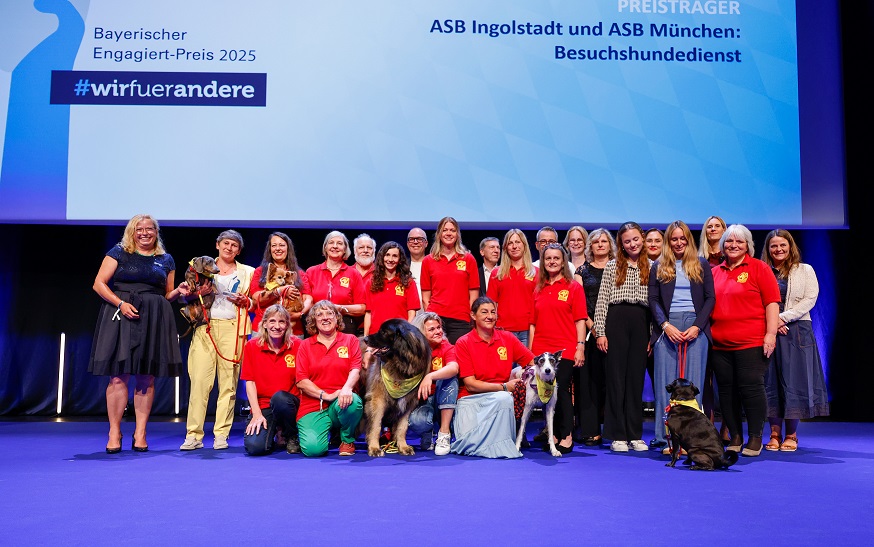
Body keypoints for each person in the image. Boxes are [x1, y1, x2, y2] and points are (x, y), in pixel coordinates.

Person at [88, 214, 185, 453]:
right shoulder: (119, 252)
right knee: (119, 375)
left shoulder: (166, 259)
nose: (144, 233)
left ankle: (140, 432)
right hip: (122, 314)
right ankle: (114, 431)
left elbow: (167, 294)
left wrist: (181, 291)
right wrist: (120, 303)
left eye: (149, 229)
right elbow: (99, 283)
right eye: (139, 229)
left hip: (153, 318)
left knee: (146, 376)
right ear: (132, 231)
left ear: (156, 232)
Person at [180, 229, 255, 451]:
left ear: (238, 250)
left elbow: (256, 301)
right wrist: (192, 292)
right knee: (200, 384)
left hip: (234, 329)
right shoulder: (200, 266)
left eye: (234, 245)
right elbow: (187, 295)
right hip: (206, 328)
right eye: (225, 243)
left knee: (229, 386)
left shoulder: (248, 272)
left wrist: (247, 301)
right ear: (217, 245)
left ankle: (221, 435)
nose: (229, 248)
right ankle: (193, 434)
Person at [709, 224, 781, 457]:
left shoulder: (759, 268)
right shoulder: (714, 272)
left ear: (747, 245)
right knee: (727, 392)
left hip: (751, 342)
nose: (733, 245)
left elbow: (772, 303)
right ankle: (736, 436)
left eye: (739, 242)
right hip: (719, 344)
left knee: (751, 389)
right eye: (729, 242)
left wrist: (770, 334)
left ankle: (755, 437)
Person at [648, 221, 715, 453]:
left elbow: (710, 299)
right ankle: (666, 439)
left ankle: (691, 440)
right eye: (674, 239)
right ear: (668, 242)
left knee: (692, 386)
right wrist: (665, 325)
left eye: (682, 238)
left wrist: (697, 326)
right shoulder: (658, 265)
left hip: (696, 326)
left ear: (688, 240)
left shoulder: (701, 264)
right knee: (665, 385)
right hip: (667, 327)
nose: (678, 243)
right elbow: (653, 300)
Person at [760, 229, 829, 452]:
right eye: (773, 246)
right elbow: (753, 298)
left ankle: (791, 435)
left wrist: (780, 318)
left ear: (790, 247)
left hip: (797, 330)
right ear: (768, 249)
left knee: (795, 382)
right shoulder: (761, 270)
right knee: (769, 382)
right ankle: (773, 433)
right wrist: (771, 322)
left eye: (782, 245)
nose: (778, 249)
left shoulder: (805, 270)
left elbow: (810, 298)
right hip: (768, 331)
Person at [593, 222, 651, 453]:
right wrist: (600, 332)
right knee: (616, 380)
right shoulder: (612, 266)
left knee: (636, 380)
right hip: (616, 320)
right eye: (627, 241)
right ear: (621, 244)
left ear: (642, 239)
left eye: (635, 239)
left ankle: (635, 434)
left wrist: (651, 335)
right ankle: (617, 435)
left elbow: (655, 304)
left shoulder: (652, 266)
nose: (632, 244)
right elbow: (602, 300)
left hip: (641, 321)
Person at [451, 297, 534, 458]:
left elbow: (532, 362)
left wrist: (521, 375)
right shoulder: (463, 342)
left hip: (501, 400)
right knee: (503, 398)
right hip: (471, 400)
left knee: (504, 399)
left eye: (493, 312)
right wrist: (504, 387)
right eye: (484, 312)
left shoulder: (507, 338)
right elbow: (470, 385)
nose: (490, 316)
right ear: (473, 316)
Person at [529, 244, 587, 454]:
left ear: (564, 261)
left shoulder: (573, 287)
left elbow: (580, 320)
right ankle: (552, 433)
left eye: (556, 258)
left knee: (561, 392)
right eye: (548, 258)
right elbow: (532, 323)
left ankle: (566, 434)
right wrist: (531, 353)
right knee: (547, 394)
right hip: (541, 350)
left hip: (565, 349)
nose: (552, 261)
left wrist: (580, 347)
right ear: (543, 262)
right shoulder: (538, 288)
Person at [295, 300, 364, 457]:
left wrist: (346, 388)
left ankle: (347, 439)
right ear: (313, 320)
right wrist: (325, 395)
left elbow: (355, 369)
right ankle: (325, 432)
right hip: (313, 405)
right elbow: (301, 380)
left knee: (353, 401)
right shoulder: (305, 345)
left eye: (329, 313)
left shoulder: (350, 340)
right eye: (319, 314)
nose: (325, 317)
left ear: (337, 317)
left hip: (341, 401)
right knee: (313, 450)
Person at [572, 228, 616, 446]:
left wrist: (608, 330)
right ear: (590, 246)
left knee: (613, 382)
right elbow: (579, 306)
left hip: (615, 332)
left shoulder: (619, 268)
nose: (600, 245)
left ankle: (612, 429)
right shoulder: (581, 271)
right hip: (590, 332)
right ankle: (590, 430)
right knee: (589, 383)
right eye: (596, 242)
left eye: (604, 241)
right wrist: (594, 328)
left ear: (610, 245)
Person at [241, 304, 302, 455]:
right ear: (265, 324)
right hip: (264, 407)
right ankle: (275, 432)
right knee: (255, 447)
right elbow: (250, 382)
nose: (276, 326)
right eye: (272, 321)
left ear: (287, 325)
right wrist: (256, 413)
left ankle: (290, 434)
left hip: (289, 405)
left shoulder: (298, 345)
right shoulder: (251, 346)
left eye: (281, 322)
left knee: (280, 398)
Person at [420, 216, 479, 343]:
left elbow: (474, 294)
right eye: (445, 230)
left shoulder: (468, 259)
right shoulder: (428, 261)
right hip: (437, 319)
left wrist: (469, 315)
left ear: (457, 234)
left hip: (461, 320)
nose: (448, 233)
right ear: (439, 234)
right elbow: (425, 296)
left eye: (452, 230)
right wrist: (431, 317)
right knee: (436, 359)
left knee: (459, 358)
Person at [407, 311, 459, 455]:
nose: (438, 332)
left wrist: (430, 376)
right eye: (432, 329)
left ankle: (444, 433)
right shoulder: (413, 351)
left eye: (439, 327)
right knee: (417, 421)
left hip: (444, 398)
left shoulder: (446, 346)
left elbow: (454, 367)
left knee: (449, 378)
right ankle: (427, 432)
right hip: (423, 400)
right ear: (420, 334)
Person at [698, 215, 729, 442]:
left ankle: (727, 428)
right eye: (709, 226)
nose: (713, 229)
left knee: (727, 380)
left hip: (728, 321)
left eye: (717, 226)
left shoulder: (733, 256)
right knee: (705, 380)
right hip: (705, 323)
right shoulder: (697, 260)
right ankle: (708, 427)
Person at [250, 232, 312, 337]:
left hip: (293, 330)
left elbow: (308, 299)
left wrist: (299, 315)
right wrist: (279, 291)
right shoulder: (260, 272)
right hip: (263, 330)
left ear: (288, 248)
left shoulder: (299, 273)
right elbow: (256, 299)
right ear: (270, 249)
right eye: (274, 245)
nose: (278, 248)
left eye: (282, 245)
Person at [305, 231, 367, 335]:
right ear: (325, 247)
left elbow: (362, 308)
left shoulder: (353, 274)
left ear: (345, 249)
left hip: (345, 327)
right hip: (316, 326)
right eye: (331, 242)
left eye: (339, 243)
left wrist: (339, 308)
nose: (335, 246)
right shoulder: (311, 272)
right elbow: (307, 302)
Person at [487, 228, 538, 348]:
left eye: (517, 242)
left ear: (524, 245)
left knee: (526, 367)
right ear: (505, 248)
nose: (514, 246)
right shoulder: (497, 273)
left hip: (527, 331)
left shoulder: (536, 273)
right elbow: (491, 304)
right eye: (510, 243)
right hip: (503, 330)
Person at [363, 241, 420, 336]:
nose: (390, 259)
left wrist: (406, 335)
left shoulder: (408, 283)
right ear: (382, 257)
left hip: (399, 337)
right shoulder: (371, 282)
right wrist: (366, 337)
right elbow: (368, 314)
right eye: (387, 255)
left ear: (400, 259)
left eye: (394, 256)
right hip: (377, 336)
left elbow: (412, 314)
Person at [406, 227, 428, 302]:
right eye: (411, 239)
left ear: (426, 243)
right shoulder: (401, 267)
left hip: (430, 312)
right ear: (408, 244)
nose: (415, 242)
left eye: (419, 239)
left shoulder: (434, 265)